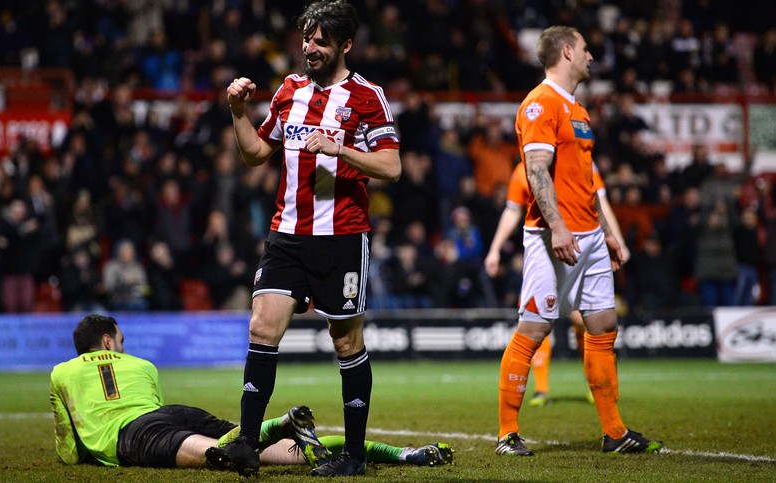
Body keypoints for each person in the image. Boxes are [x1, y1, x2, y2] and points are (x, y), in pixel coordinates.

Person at [224, 0, 401, 477]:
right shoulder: (288, 90)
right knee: (262, 328)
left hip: (341, 238)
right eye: (306, 39)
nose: (310, 48)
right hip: (287, 233)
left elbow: (392, 166)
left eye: (321, 41)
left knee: (345, 341)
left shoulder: (368, 97)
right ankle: (245, 444)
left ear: (346, 44)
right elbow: (257, 154)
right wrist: (238, 111)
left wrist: (340, 147)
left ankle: (355, 457)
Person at [494, 26, 663, 456]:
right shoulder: (539, 104)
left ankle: (614, 432)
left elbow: (584, 179)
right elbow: (536, 171)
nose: (591, 56)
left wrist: (605, 229)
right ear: (567, 52)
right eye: (586, 49)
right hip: (553, 238)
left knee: (604, 325)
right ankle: (507, 433)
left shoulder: (579, 111)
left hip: (589, 236)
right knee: (533, 329)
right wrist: (557, 226)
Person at [50, 314, 453, 470]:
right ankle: (404, 454)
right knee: (248, 442)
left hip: (134, 434)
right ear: (107, 342)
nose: (123, 347)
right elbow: (155, 407)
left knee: (221, 456)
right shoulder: (143, 366)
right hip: (171, 412)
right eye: (120, 340)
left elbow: (69, 448)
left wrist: (83, 457)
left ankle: (278, 423)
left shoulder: (61, 373)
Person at [485, 161, 630, 407]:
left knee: (587, 321)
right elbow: (512, 210)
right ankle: (540, 391)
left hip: (582, 247)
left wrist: (615, 238)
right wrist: (495, 249)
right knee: (534, 323)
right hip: (544, 249)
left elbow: (599, 201)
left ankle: (598, 388)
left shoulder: (582, 162)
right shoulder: (525, 169)